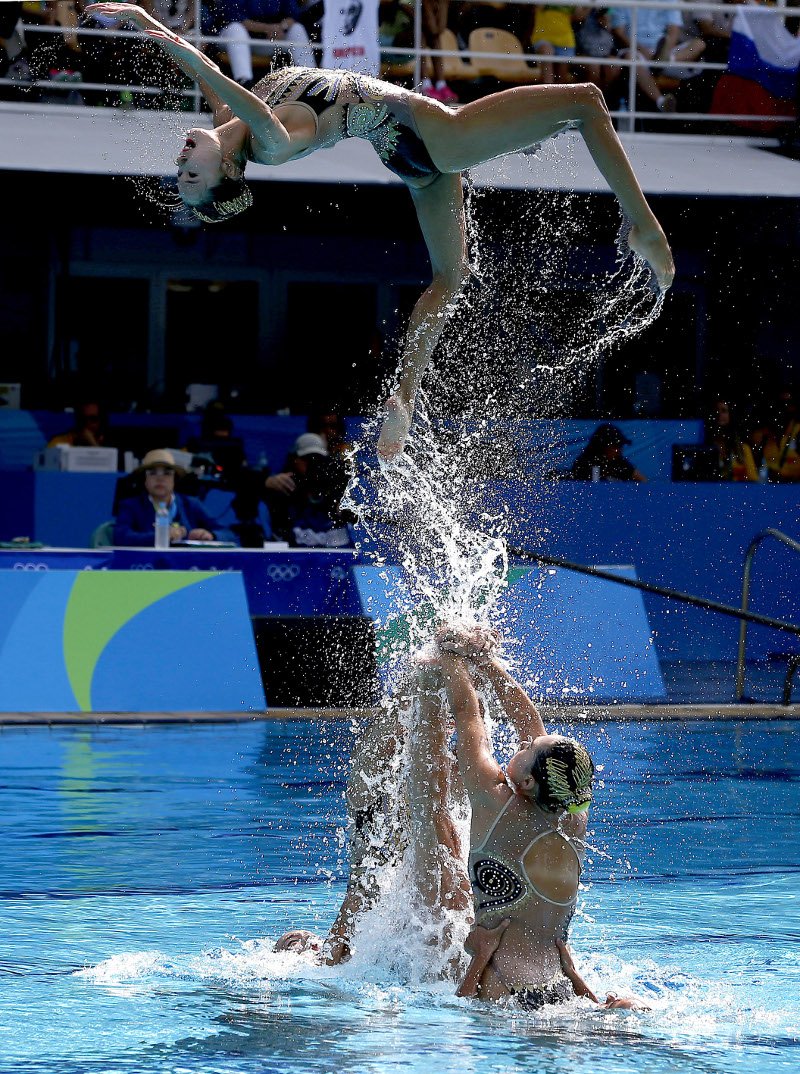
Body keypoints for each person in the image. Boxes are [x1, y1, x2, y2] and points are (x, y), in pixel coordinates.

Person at [83, 4, 675, 463]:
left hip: (406, 154)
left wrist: (144, 24)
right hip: (434, 135)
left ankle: (403, 401)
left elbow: (214, 85)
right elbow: (218, 77)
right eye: (191, 176)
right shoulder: (269, 140)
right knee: (588, 101)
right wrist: (149, 26)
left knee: (452, 276)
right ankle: (644, 225)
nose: (182, 160)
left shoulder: (226, 124)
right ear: (227, 173)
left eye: (180, 171)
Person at [428, 624, 648, 1010]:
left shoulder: (495, 802)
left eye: (528, 749)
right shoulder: (575, 815)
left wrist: (449, 654)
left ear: (528, 781)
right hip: (559, 984)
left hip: (496, 980)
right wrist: (488, 664)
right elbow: (530, 723)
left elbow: (468, 716)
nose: (527, 740)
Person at [113, 447, 236, 545]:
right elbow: (121, 537)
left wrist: (211, 535)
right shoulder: (130, 505)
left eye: (167, 473)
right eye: (153, 473)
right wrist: (161, 536)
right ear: (144, 480)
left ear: (174, 479)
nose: (160, 478)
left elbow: (228, 534)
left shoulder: (191, 504)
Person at [609, 4, 704, 113]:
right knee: (631, 57)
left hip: (665, 51)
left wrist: (665, 52)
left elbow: (674, 30)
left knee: (699, 44)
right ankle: (661, 101)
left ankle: (668, 59)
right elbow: (619, 32)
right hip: (636, 51)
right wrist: (644, 51)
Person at [264, 431, 353, 545]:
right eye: (308, 459)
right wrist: (266, 482)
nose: (314, 464)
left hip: (335, 553)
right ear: (295, 460)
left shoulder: (339, 486)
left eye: (318, 459)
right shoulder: (283, 488)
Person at [567, 422, 647, 481]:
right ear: (603, 446)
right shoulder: (583, 464)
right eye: (616, 446)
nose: (620, 450)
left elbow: (643, 481)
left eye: (621, 446)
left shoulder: (620, 463)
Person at [703, 398, 758, 482]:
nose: (719, 414)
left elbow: (753, 481)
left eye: (724, 411)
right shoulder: (706, 449)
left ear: (731, 415)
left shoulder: (743, 449)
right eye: (717, 411)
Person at [47, 399, 112, 449]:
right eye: (83, 419)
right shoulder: (60, 442)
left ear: (101, 421)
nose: (87, 423)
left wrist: (93, 444)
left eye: (93, 419)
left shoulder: (109, 443)